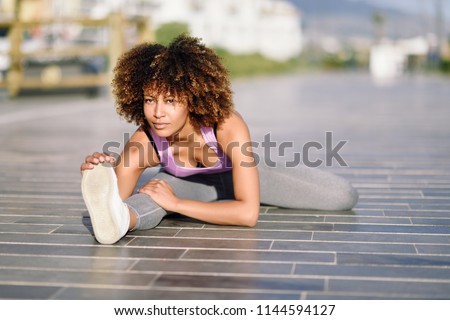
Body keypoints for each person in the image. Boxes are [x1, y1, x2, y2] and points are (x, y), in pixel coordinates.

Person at [80, 35, 358, 245]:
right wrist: (104, 174)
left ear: (192, 99)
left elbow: (248, 215)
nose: (157, 112)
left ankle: (178, 202)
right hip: (191, 187)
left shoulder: (226, 125)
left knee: (342, 196)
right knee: (153, 194)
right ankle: (118, 225)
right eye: (150, 100)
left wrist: (176, 205)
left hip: (248, 176)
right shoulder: (145, 141)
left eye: (171, 101)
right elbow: (114, 199)